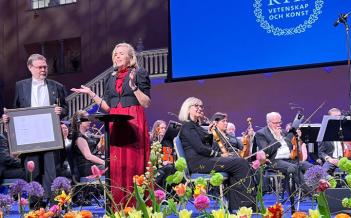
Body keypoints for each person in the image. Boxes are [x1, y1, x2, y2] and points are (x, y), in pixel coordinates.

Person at [71, 43, 151, 207]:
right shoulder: (111, 78)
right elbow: (107, 107)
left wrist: (134, 87)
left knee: (133, 162)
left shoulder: (139, 73)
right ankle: (118, 204)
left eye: (121, 53)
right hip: (115, 121)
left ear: (130, 57)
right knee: (117, 164)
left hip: (133, 119)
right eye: (115, 54)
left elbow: (146, 103)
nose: (117, 56)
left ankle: (137, 205)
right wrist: (91, 94)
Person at [2, 53, 68, 201]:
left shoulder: (57, 87)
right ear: (30, 68)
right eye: (39, 67)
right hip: (29, 141)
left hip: (52, 139)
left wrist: (61, 111)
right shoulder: (20, 86)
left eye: (45, 67)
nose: (43, 70)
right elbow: (16, 110)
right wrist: (8, 119)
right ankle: (35, 209)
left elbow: (65, 108)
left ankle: (54, 207)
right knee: (33, 173)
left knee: (52, 174)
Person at [178, 97, 255, 211]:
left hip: (203, 160)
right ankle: (245, 206)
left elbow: (206, 145)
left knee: (238, 161)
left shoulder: (196, 126)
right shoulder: (187, 126)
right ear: (188, 109)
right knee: (240, 163)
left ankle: (237, 206)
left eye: (201, 106)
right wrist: (219, 155)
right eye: (196, 106)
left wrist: (209, 133)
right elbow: (199, 148)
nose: (200, 108)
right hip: (198, 163)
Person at [253, 112, 313, 191]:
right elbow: (266, 152)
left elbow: (292, 146)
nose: (278, 125)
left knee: (310, 167)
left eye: (279, 122)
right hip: (274, 161)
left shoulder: (284, 132)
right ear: (268, 122)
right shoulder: (261, 134)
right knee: (294, 168)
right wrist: (277, 138)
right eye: (275, 123)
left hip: (290, 159)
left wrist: (297, 138)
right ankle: (310, 192)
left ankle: (319, 189)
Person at [70, 110, 105, 178]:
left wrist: (101, 144)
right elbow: (88, 156)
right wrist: (104, 162)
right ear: (79, 121)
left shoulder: (87, 135)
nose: (89, 121)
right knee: (111, 168)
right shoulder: (79, 137)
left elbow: (99, 150)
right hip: (86, 166)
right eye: (86, 119)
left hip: (93, 164)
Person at [319, 108, 349, 175]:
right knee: (323, 172)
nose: (338, 118)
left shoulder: (346, 130)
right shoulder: (324, 132)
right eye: (336, 116)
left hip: (345, 159)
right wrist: (330, 159)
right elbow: (321, 152)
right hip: (332, 160)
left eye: (339, 116)